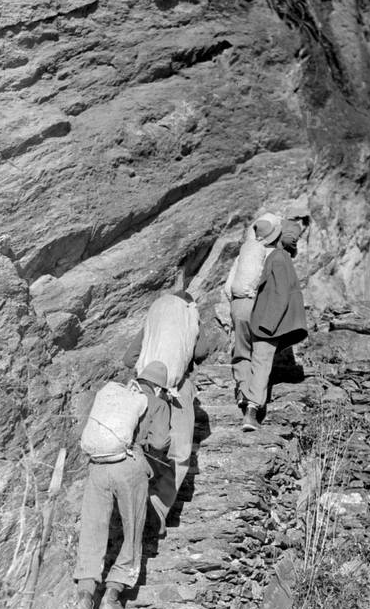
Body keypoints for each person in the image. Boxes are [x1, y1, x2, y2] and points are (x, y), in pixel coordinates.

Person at [73, 360, 171, 609]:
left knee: (92, 532)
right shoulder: (157, 403)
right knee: (132, 531)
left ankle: (85, 596)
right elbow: (161, 443)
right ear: (160, 387)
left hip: (98, 465)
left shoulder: (117, 394)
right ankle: (112, 596)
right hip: (129, 465)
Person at [124, 290, 210, 536]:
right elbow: (202, 351)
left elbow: (128, 358)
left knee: (146, 445)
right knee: (179, 451)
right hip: (179, 389)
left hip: (146, 390)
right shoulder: (188, 317)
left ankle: (136, 505)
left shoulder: (155, 319)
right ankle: (159, 508)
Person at [240, 217, 308, 432]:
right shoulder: (282, 257)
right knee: (260, 363)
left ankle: (251, 412)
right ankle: (251, 403)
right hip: (267, 322)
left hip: (266, 322)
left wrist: (267, 324)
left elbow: (279, 294)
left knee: (260, 364)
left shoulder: (278, 258)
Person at [223, 213, 280, 411]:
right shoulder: (273, 254)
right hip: (258, 305)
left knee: (242, 351)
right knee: (261, 355)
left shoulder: (243, 253)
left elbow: (227, 287)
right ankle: (253, 407)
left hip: (238, 305)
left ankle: (241, 390)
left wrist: (237, 307)